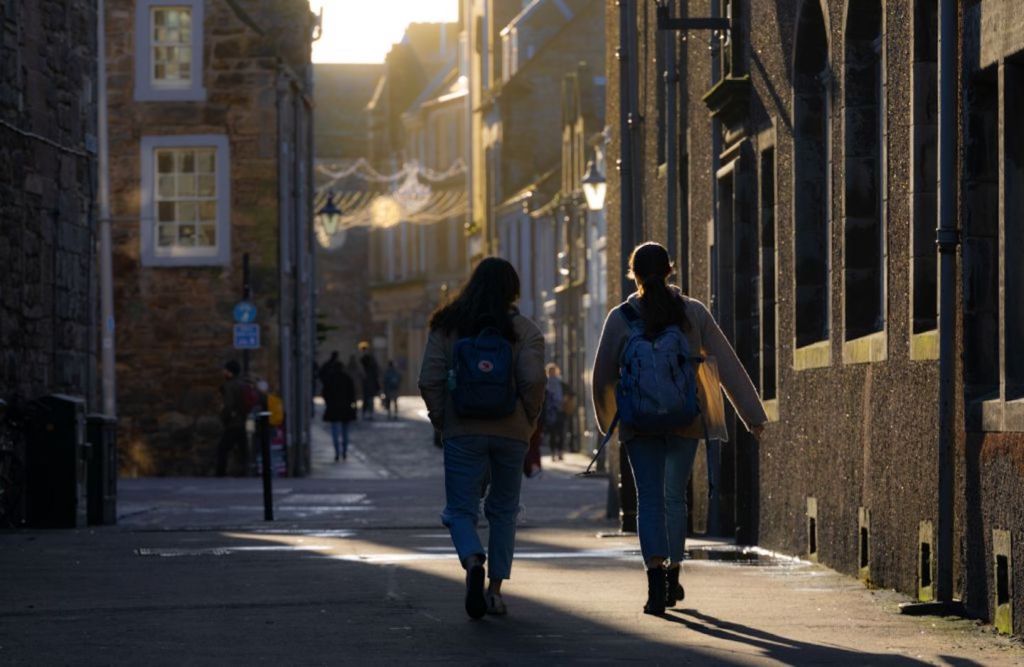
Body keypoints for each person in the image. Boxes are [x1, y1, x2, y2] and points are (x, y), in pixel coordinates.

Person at [592, 242, 767, 615]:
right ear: (670, 271)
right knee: (675, 498)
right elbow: (728, 366)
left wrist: (609, 423)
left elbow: (602, 375)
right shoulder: (692, 313)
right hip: (686, 419)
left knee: (649, 501)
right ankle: (673, 573)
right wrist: (752, 415)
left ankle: (655, 581)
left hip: (639, 424)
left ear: (633, 274)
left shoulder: (620, 318)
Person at [418, 257, 546, 619]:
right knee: (504, 511)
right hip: (511, 432)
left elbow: (428, 379)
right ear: (512, 289)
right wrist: (528, 420)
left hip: (463, 430)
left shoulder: (447, 326)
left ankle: (473, 557)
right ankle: (495, 591)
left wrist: (444, 421)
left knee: (460, 510)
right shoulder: (524, 330)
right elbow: (534, 381)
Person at [319, 352, 356, 461]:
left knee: (335, 431)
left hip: (334, 408)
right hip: (345, 408)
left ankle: (337, 452)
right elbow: (352, 394)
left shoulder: (330, 379)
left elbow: (325, 393)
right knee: (345, 432)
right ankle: (344, 452)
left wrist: (328, 402)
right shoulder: (347, 378)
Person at [217, 360, 248, 477]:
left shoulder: (229, 386)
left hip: (233, 423)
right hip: (242, 421)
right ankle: (245, 472)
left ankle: (220, 473)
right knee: (243, 450)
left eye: (225, 370)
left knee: (222, 449)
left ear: (230, 372)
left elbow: (228, 405)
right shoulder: (242, 384)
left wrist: (224, 417)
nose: (223, 372)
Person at [542, 362, 574, 461]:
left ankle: (558, 452)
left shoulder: (559, 384)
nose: (552, 373)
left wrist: (565, 399)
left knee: (559, 433)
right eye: (551, 371)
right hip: (551, 412)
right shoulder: (545, 384)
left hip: (559, 410)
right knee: (554, 433)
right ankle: (554, 453)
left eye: (553, 371)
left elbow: (571, 393)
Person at [359, 342, 381, 420]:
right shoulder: (369, 360)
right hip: (369, 383)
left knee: (368, 399)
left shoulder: (367, 360)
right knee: (368, 399)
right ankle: (368, 413)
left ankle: (367, 413)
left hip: (368, 383)